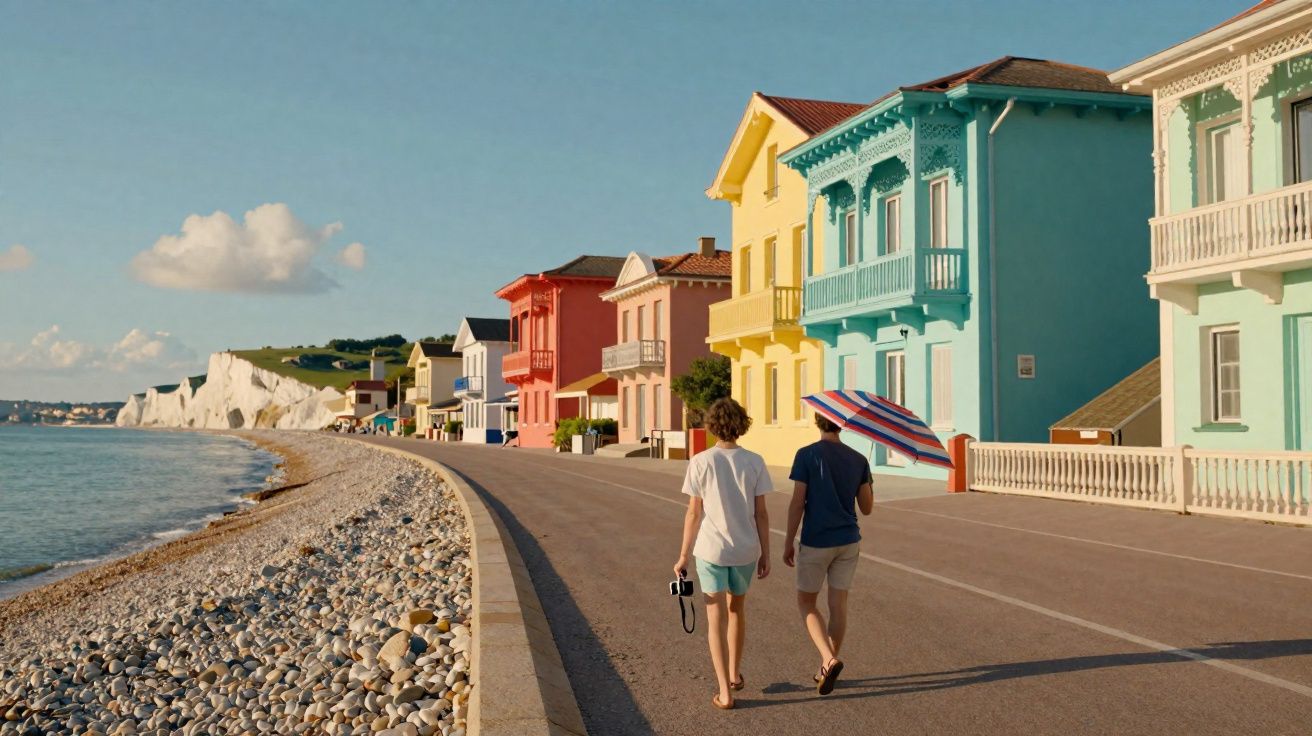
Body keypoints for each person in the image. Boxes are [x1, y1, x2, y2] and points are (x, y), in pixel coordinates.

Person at [672, 398, 772, 710]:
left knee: (713, 617)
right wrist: (765, 553)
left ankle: (724, 692)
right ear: (741, 425)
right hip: (744, 551)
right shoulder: (754, 461)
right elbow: (762, 514)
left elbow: (693, 514)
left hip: (711, 551)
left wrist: (683, 556)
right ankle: (734, 673)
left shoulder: (700, 461)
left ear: (712, 426)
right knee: (736, 611)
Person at [783, 413, 874, 696]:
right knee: (839, 604)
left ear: (817, 421)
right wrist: (868, 481)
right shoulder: (859, 458)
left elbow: (798, 502)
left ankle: (828, 658)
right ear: (842, 424)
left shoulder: (807, 455)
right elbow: (867, 507)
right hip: (848, 541)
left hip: (817, 541)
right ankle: (826, 666)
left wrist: (788, 540)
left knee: (806, 602)